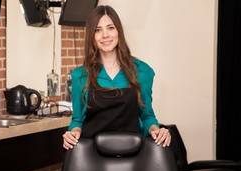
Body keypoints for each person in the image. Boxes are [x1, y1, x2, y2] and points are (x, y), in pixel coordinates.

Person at [62, 5, 171, 150]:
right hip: (92, 157)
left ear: (118, 31)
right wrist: (72, 133)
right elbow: (77, 120)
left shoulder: (141, 71)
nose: (105, 35)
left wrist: (157, 130)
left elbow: (147, 116)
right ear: (91, 36)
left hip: (133, 155)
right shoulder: (80, 76)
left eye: (110, 28)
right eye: (98, 30)